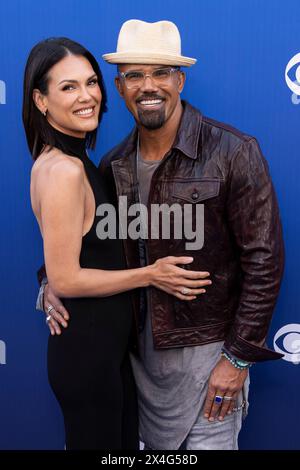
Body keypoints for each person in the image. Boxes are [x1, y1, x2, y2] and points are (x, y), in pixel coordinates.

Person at [40, 20, 284, 450]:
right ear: (119, 87)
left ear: (180, 80)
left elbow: (264, 262)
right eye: (135, 75)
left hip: (208, 366)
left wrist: (237, 358)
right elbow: (85, 242)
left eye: (161, 73)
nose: (148, 85)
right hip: (136, 368)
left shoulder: (233, 151)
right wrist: (50, 283)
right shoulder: (112, 165)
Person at [24, 36, 211, 450]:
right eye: (68, 87)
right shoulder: (64, 171)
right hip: (88, 358)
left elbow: (74, 250)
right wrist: (152, 274)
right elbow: (67, 277)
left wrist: (50, 279)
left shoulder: (79, 164)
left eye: (90, 83)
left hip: (107, 355)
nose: (86, 96)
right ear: (40, 100)